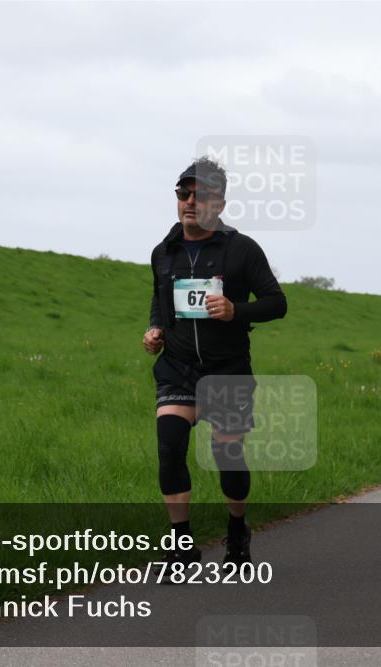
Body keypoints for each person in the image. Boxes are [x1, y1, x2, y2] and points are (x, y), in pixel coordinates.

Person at [143, 157, 287, 573]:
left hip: (227, 370)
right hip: (178, 366)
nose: (190, 201)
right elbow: (161, 300)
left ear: (219, 204)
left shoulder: (241, 249)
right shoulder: (162, 252)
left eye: (200, 195)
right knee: (170, 447)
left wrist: (234, 310)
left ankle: (237, 529)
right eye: (183, 193)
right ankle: (181, 546)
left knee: (228, 456)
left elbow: (277, 303)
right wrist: (156, 330)